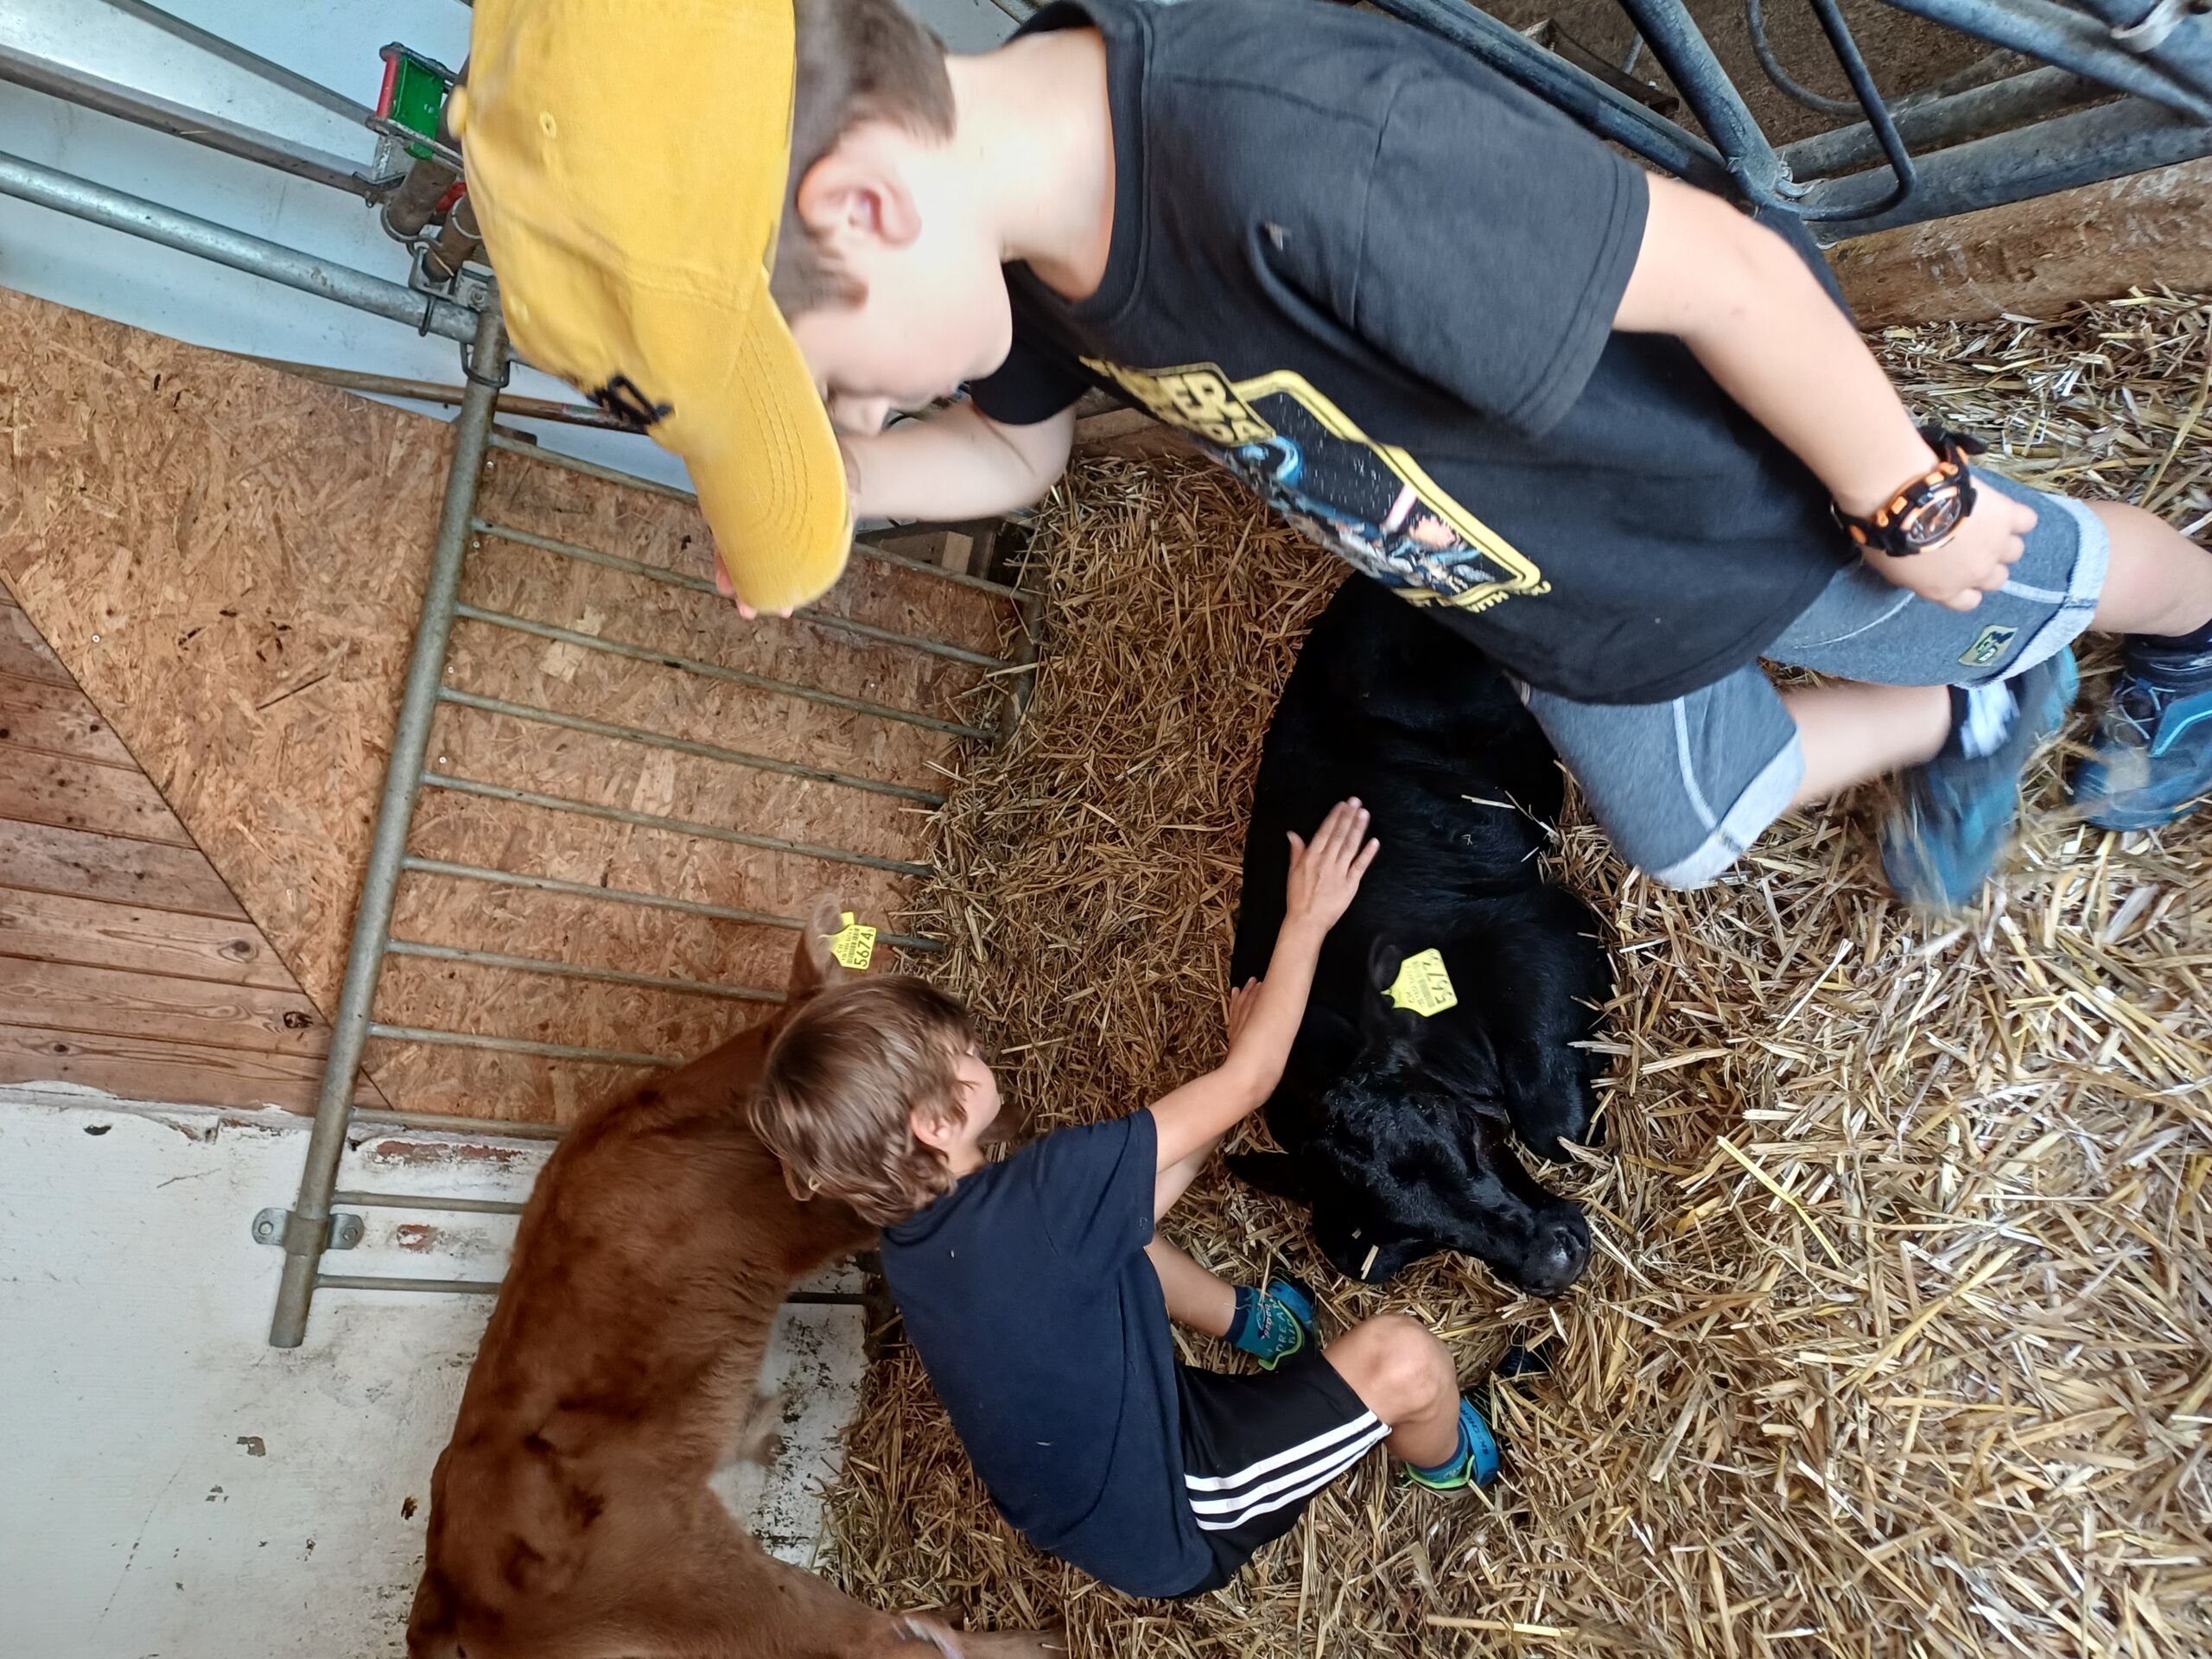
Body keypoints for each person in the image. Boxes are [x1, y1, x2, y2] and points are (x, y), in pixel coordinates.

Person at [450, 0, 2212, 910]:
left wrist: (1904, 498)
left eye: (830, 387)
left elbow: (1730, 275)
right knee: (1684, 838)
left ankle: (2181, 623)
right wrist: (839, 494)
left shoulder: (1291, 161)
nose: (854, 418)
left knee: (2038, 577)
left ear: (862, 206)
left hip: (1746, 524)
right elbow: (1011, 463)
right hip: (1552, 604)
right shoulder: (1017, 255)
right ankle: (1977, 717)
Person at [752, 801, 1513, 1599]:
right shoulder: (1048, 1194)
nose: (977, 1048)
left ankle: (1257, 1325)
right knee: (1408, 1360)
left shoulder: (915, 1243)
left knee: (1121, 1233)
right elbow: (1255, 1078)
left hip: (1097, 1477)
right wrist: (1307, 920)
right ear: (935, 1124)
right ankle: (1446, 1464)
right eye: (961, 1054)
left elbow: (1121, 1208)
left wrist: (1225, 1097)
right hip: (1178, 1514)